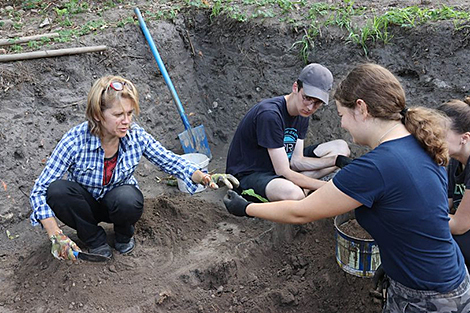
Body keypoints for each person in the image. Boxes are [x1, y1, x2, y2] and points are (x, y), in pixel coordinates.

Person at [224, 63, 470, 312]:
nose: (342, 125)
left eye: (342, 115)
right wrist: (395, 263)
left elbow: (301, 211)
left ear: (361, 108)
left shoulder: (377, 166)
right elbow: (422, 217)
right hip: (446, 280)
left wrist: (247, 208)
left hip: (427, 298)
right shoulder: (422, 142)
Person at [29, 75, 238, 261]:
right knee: (57, 191)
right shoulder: (75, 141)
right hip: (87, 206)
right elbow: (39, 191)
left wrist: (204, 177)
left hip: (119, 204)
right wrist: (56, 235)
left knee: (128, 197)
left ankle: (123, 234)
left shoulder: (136, 136)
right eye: (118, 114)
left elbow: (169, 160)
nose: (126, 121)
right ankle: (94, 239)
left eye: (130, 113)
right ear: (97, 115)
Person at [226, 63, 350, 202]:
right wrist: (327, 187)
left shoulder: (302, 113)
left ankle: (303, 187)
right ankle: (301, 188)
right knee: (294, 194)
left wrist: (336, 160)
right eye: (307, 97)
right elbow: (283, 171)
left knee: (341, 148)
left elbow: (296, 161)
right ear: (295, 87)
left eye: (317, 103)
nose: (310, 107)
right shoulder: (270, 115)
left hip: (281, 166)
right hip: (250, 174)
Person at [438, 98, 470, 267]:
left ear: (464, 138)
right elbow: (446, 203)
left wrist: (419, 217)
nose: (434, 139)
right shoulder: (455, 161)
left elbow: (460, 225)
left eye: (441, 135)